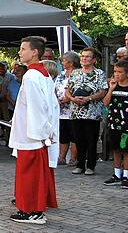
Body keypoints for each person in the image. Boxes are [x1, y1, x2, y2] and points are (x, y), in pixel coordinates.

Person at [8, 36, 58, 224]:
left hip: (31, 135)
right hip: (34, 133)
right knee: (30, 174)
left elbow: (38, 107)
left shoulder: (32, 76)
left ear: (35, 52)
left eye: (23, 49)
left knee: (29, 174)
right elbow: (50, 104)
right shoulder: (42, 73)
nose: (20, 52)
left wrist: (39, 135)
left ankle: (32, 211)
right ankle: (30, 208)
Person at [66, 46, 108, 175]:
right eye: (83, 56)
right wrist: (73, 99)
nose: (84, 58)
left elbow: (103, 91)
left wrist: (88, 98)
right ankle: (80, 164)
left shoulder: (99, 73)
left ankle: (90, 165)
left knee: (91, 139)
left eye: (87, 56)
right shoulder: (75, 73)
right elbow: (67, 90)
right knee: (78, 139)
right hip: (76, 112)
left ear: (94, 59)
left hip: (92, 112)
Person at [102, 60, 128, 187]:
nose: (116, 74)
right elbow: (106, 103)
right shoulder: (114, 86)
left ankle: (126, 176)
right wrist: (111, 89)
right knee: (116, 149)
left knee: (126, 151)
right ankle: (116, 174)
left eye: (119, 72)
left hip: (126, 126)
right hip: (114, 124)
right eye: (115, 72)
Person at [54, 51, 80, 166]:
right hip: (61, 111)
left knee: (74, 135)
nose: (62, 62)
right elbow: (55, 88)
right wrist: (56, 99)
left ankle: (73, 158)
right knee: (63, 135)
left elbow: (81, 90)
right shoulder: (61, 75)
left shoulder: (79, 74)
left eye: (64, 60)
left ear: (71, 62)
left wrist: (68, 98)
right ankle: (61, 157)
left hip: (74, 110)